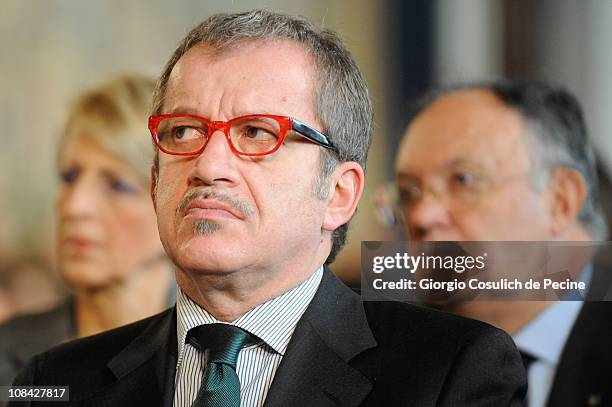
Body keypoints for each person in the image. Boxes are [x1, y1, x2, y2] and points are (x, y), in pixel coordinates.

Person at [10, 10, 525, 407]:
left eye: (256, 133)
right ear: (154, 180)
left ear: (339, 194)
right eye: (184, 132)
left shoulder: (449, 371)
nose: (209, 164)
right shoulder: (54, 381)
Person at [392, 80, 612, 407]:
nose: (422, 216)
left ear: (560, 201)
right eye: (409, 193)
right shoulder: (391, 360)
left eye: (462, 180)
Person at [0, 75, 174, 387]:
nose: (74, 206)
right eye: (69, 177)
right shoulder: (6, 353)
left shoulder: (215, 360)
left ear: (173, 202)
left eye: (116, 185)